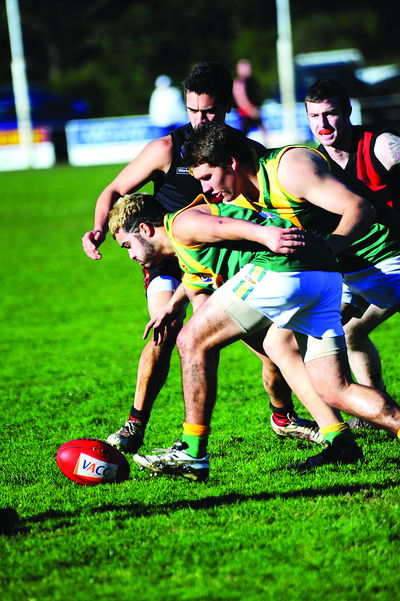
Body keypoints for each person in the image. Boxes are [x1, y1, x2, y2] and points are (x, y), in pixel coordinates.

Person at [81, 62, 311, 456]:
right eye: (193, 110)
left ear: (227, 107)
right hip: (168, 259)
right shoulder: (167, 149)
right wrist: (99, 228)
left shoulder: (244, 152)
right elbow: (114, 190)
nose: (200, 119)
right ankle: (135, 425)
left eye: (209, 111)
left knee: (273, 344)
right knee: (167, 327)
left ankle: (283, 416)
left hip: (222, 261)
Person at [107, 188, 400, 482]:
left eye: (128, 245)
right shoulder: (186, 253)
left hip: (281, 265)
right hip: (324, 271)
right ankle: (342, 442)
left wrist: (265, 235)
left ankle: (192, 451)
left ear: (145, 229)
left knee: (190, 340)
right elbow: (196, 286)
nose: (130, 255)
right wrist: (173, 306)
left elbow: (221, 226)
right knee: (331, 384)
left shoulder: (180, 222)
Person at [305, 78, 400, 402]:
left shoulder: (382, 146)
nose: (323, 123)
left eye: (330, 113)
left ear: (347, 111)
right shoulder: (314, 165)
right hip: (355, 267)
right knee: (349, 334)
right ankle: (378, 405)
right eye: (314, 116)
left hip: (392, 258)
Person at [233, 59, 267, 142]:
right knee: (244, 135)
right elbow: (241, 100)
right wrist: (252, 111)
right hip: (245, 113)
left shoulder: (251, 81)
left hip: (253, 110)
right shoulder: (239, 83)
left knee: (263, 130)